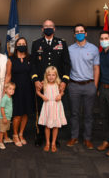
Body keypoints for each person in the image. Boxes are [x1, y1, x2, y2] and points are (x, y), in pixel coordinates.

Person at [31, 19, 70, 147]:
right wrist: (36, 79)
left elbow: (66, 63)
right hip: (42, 84)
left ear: (54, 29)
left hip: (56, 84)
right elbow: (33, 64)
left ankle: (54, 138)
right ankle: (40, 135)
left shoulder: (61, 43)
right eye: (45, 26)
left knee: (54, 110)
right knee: (41, 109)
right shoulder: (36, 44)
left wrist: (64, 81)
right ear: (42, 29)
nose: (48, 28)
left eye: (50, 26)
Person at [66, 24, 100, 149]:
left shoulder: (93, 49)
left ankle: (87, 138)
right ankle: (74, 137)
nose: (79, 33)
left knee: (89, 114)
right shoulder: (69, 49)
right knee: (74, 114)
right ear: (74, 34)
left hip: (89, 85)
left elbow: (96, 68)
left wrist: (94, 86)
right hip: (74, 85)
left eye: (82, 31)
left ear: (85, 33)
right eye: (77, 32)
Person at [5, 37, 34, 147]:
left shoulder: (30, 58)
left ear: (26, 45)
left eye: (24, 43)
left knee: (26, 113)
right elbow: (8, 76)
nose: (22, 45)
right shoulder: (11, 59)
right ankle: (15, 134)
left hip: (28, 90)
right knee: (17, 114)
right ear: (16, 46)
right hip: (15, 91)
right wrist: (5, 91)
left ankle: (21, 134)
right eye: (20, 43)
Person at [37, 66, 67, 152]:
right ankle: (47, 143)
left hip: (56, 106)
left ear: (56, 75)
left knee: (55, 126)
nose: (51, 77)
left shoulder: (58, 83)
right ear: (46, 76)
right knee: (47, 125)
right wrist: (42, 96)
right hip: (47, 106)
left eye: (53, 75)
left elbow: (62, 91)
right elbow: (37, 91)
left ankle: (53, 143)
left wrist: (60, 95)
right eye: (49, 75)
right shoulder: (44, 83)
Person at [0, 82, 16, 149]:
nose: (12, 91)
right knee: (2, 130)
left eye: (13, 89)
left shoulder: (10, 97)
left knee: (5, 129)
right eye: (10, 89)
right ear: (5, 89)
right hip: (4, 117)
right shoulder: (5, 98)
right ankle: (0, 142)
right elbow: (2, 108)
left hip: (8, 117)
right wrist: (4, 117)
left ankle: (6, 138)